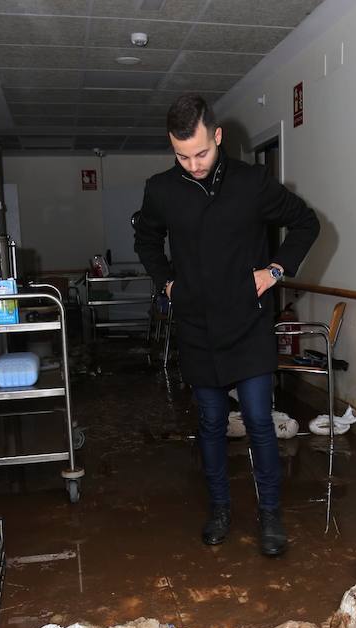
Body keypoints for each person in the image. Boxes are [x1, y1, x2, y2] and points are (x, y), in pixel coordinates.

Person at [134, 94, 320, 557]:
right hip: (196, 325)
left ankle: (270, 515)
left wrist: (275, 270)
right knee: (211, 423)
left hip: (248, 322)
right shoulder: (161, 190)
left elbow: (306, 223)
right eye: (182, 155)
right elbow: (146, 239)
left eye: (201, 153)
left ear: (218, 137)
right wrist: (167, 284)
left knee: (258, 420)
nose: (193, 165)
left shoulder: (252, 182)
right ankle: (219, 509)